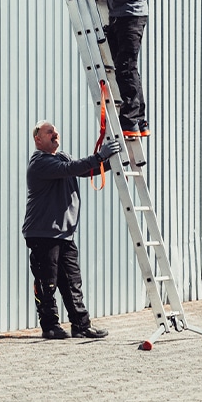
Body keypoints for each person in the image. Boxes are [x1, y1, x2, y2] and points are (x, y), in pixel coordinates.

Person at [22, 120, 121, 339]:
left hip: (64, 233)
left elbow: (83, 170)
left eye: (56, 131)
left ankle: (81, 326)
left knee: (72, 281)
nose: (55, 134)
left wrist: (112, 163)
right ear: (38, 139)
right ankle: (50, 326)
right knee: (47, 282)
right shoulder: (39, 162)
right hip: (43, 233)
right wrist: (99, 156)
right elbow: (71, 169)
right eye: (50, 132)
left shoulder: (62, 157)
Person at [91, 0, 153, 139]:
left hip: (132, 16)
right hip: (117, 15)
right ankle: (140, 120)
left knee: (126, 66)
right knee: (122, 66)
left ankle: (130, 119)